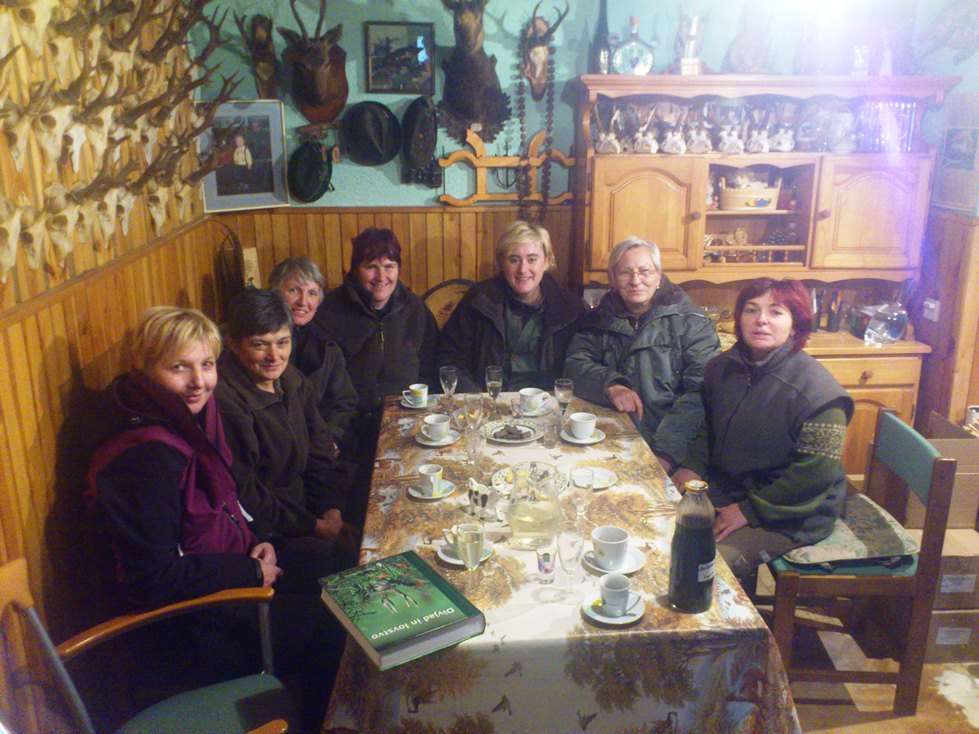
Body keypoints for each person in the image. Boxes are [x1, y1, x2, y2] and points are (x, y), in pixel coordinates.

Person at [86, 306, 344, 732]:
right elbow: (149, 577)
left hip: (231, 574)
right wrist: (248, 571)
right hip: (195, 626)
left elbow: (227, 502)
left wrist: (258, 539)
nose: (199, 381)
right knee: (336, 625)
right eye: (179, 368)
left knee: (342, 574)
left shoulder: (188, 419)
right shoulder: (144, 456)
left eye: (207, 365)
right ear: (144, 367)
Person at [677, 277, 854, 577]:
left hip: (791, 513)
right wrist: (692, 467)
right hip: (730, 489)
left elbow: (814, 476)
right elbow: (709, 428)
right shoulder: (722, 369)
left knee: (704, 564)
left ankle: (730, 607)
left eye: (776, 312)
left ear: (795, 325)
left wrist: (749, 511)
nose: (761, 320)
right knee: (661, 531)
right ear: (739, 318)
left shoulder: (820, 395)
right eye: (751, 310)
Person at [215, 288, 355, 557]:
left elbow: (320, 453)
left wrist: (330, 509)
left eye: (282, 342)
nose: (274, 356)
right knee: (347, 560)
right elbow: (246, 494)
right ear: (233, 344)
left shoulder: (292, 380)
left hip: (304, 509)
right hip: (265, 530)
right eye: (259, 345)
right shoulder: (227, 402)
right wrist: (314, 526)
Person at [566, 236, 720, 478]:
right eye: (625, 273)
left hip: (674, 448)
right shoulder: (598, 319)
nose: (636, 281)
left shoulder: (692, 323)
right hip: (609, 438)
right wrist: (610, 384)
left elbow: (699, 395)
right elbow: (575, 364)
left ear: (658, 276)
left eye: (645, 271)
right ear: (613, 279)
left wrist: (665, 455)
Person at [315, 228, 438, 518]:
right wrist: (332, 433)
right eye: (371, 266)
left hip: (407, 422)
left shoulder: (415, 309)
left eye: (389, 266)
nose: (381, 276)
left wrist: (424, 415)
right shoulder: (330, 312)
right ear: (355, 269)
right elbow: (323, 387)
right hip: (352, 429)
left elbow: (431, 368)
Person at [437, 220, 586, 394]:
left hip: (548, 403)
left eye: (532, 259)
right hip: (488, 401)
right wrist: (477, 398)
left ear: (547, 261)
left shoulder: (570, 308)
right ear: (501, 263)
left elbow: (580, 365)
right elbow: (450, 358)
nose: (523, 269)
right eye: (514, 260)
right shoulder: (478, 300)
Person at [269, 257, 357, 457]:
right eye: (293, 290)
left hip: (317, 446)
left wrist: (331, 437)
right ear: (275, 293)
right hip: (275, 450)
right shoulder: (261, 344)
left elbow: (343, 401)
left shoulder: (326, 345)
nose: (303, 302)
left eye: (312, 293)